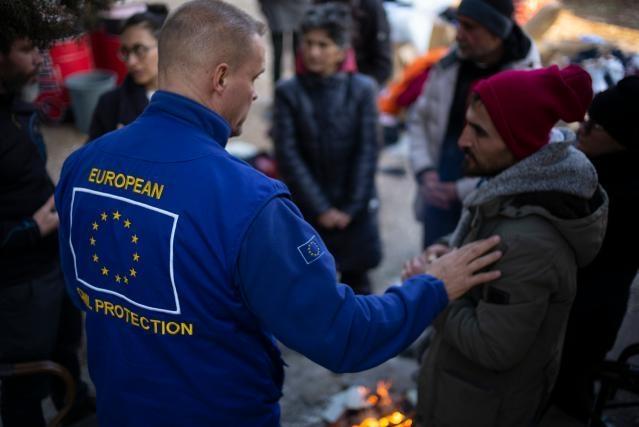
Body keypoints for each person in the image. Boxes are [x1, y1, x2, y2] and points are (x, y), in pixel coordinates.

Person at [54, 1, 504, 425]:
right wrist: (433, 288)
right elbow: (343, 336)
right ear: (221, 77)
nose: (255, 95)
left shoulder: (82, 164)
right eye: (254, 78)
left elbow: (85, 294)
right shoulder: (248, 201)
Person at [402, 65, 608, 426]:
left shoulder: (530, 243)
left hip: (480, 410)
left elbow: (492, 346)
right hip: (461, 392)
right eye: (467, 123)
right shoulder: (512, 187)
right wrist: (448, 251)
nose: (463, 140)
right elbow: (483, 238)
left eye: (479, 131)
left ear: (520, 143)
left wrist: (431, 289)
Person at [0, 2, 94, 426]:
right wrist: (27, 229)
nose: (40, 58)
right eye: (26, 48)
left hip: (53, 267)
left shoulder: (18, 110)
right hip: (18, 289)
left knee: (68, 364)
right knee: (26, 390)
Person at [407, 0, 540, 248]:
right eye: (459, 23)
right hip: (436, 199)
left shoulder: (525, 82)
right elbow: (420, 119)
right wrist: (425, 172)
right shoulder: (448, 65)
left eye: (469, 27)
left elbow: (523, 157)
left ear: (496, 32)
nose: (458, 33)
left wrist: (459, 190)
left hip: (492, 212)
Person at [273, 3, 381, 294]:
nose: (314, 51)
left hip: (354, 212)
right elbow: (288, 154)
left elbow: (368, 151)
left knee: (358, 290)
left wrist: (349, 208)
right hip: (309, 211)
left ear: (341, 50)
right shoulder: (288, 92)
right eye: (308, 42)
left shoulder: (361, 90)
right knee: (309, 285)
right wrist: (321, 208)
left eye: (324, 44)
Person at [551, 76, 639, 424]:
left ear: (626, 140)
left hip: (584, 320)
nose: (582, 129)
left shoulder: (620, 198)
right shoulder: (585, 167)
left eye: (596, 126)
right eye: (586, 117)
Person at [88, 6, 168, 141]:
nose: (131, 62)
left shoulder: (192, 97)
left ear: (165, 46)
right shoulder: (109, 104)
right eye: (125, 52)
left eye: (140, 49)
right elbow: (93, 156)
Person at [315, 0, 392, 86]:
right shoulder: (318, 5)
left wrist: (364, 92)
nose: (314, 53)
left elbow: (382, 64)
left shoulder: (370, 6)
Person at [258, 0, 310, 84]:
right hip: (275, 6)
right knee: (279, 49)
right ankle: (278, 87)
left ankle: (300, 85)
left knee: (298, 50)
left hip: (297, 7)